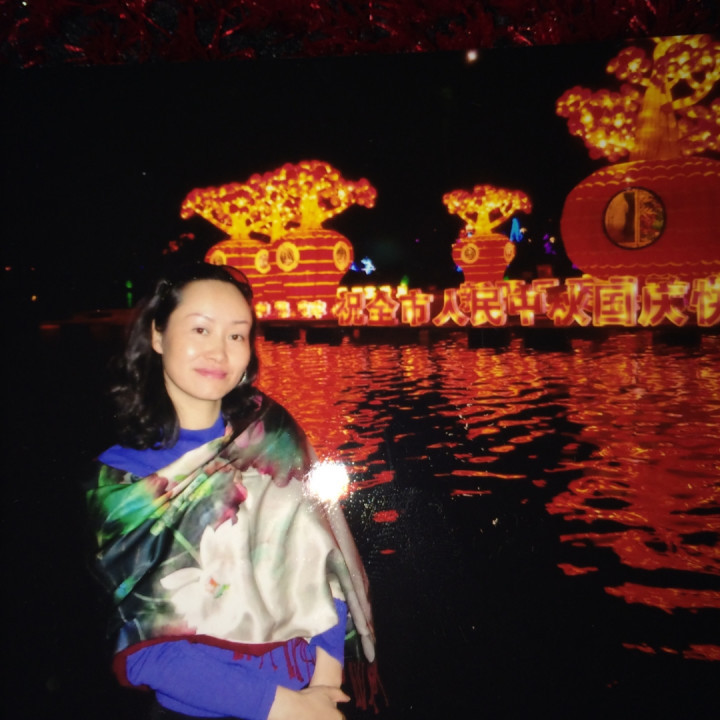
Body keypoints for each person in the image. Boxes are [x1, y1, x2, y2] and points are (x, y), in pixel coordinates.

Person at [86, 262, 376, 720]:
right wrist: (286, 708)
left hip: (312, 691)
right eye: (201, 329)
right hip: (205, 707)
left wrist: (325, 683)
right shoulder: (121, 481)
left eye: (237, 334)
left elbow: (326, 564)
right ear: (158, 335)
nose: (219, 351)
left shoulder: (272, 437)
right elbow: (142, 643)